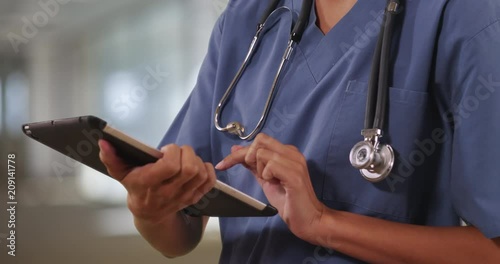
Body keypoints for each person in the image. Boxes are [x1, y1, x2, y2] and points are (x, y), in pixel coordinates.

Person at [98, 0, 500, 263]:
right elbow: (178, 235)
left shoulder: (460, 15)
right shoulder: (248, 20)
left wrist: (323, 223)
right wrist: (148, 208)